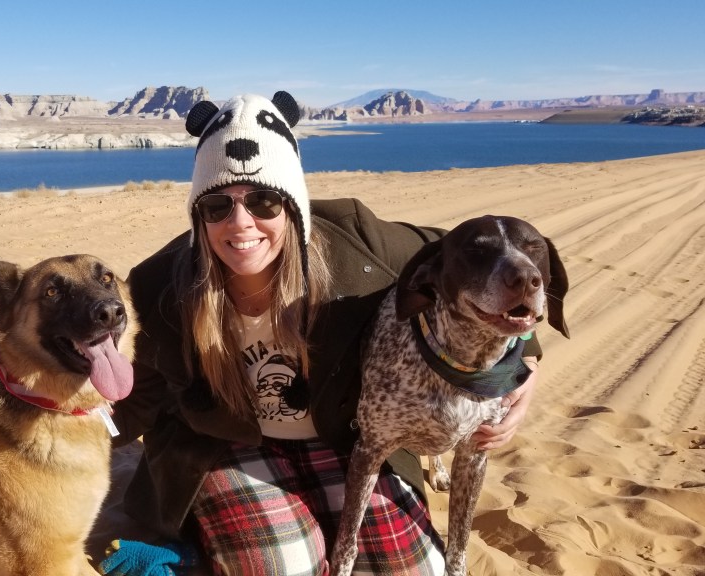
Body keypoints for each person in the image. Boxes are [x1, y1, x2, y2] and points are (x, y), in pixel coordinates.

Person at [109, 91, 540, 575]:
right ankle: (197, 545)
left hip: (342, 436)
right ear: (198, 214)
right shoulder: (158, 286)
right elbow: (136, 390)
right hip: (224, 445)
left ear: (292, 205)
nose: (241, 222)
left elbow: (467, 256)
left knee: (416, 569)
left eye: (264, 200)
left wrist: (524, 356)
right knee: (283, 565)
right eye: (216, 206)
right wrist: (68, 420)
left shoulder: (357, 239)